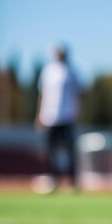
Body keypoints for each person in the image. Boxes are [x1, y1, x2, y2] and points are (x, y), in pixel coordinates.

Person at [35, 45, 81, 191]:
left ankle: (71, 181)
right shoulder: (47, 71)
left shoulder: (72, 71)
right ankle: (52, 180)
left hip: (67, 117)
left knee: (69, 149)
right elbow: (41, 94)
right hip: (50, 117)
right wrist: (39, 115)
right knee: (51, 150)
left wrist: (78, 112)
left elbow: (79, 94)